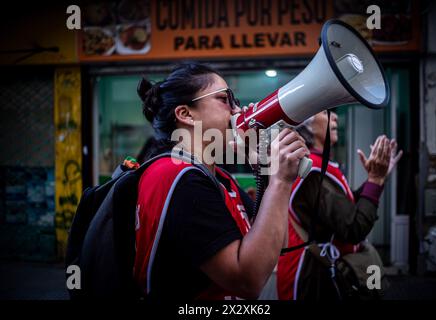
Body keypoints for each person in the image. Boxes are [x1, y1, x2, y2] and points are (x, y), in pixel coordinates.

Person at [133, 62, 309, 300]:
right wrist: (280, 181)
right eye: (225, 99)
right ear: (185, 114)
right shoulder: (178, 177)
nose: (237, 111)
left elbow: (277, 244)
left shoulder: (220, 178)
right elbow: (248, 281)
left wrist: (265, 169)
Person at [277, 110, 403, 300]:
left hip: (321, 270)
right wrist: (375, 179)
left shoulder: (315, 164)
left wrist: (376, 180)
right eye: (326, 113)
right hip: (312, 278)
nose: (335, 116)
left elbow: (345, 207)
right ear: (306, 125)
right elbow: (353, 227)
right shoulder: (311, 171)